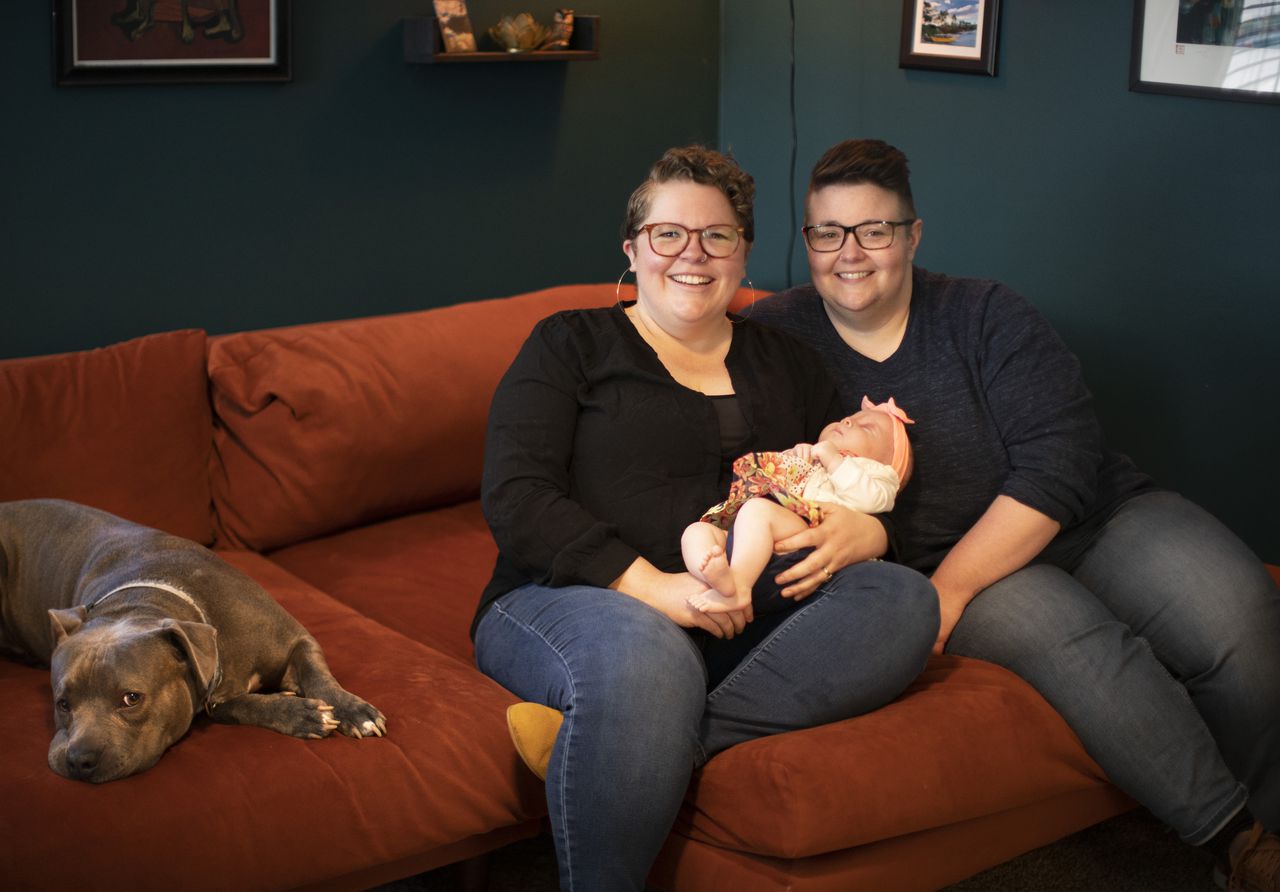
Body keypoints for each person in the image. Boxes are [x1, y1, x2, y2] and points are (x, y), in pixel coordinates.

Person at [750, 137, 1280, 890]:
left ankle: (1272, 826)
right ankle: (1242, 847)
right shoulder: (776, 336)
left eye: (875, 230)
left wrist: (950, 594)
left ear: (914, 234)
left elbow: (1062, 460)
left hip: (1097, 518)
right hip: (959, 562)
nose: (850, 253)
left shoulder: (984, 312)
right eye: (827, 233)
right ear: (806, 239)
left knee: (1241, 618)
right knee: (1087, 652)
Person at [472, 145, 939, 891]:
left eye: (717, 236)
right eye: (668, 235)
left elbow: (852, 475)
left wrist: (873, 533)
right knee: (648, 652)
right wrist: (654, 589)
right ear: (632, 249)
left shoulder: (791, 363)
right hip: (571, 597)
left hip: (742, 608)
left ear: (743, 252)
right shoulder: (570, 344)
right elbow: (516, 497)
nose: (692, 254)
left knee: (905, 599)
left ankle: (646, 740)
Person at [683, 395, 913, 614]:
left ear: (888, 463)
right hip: (757, 544)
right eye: (849, 417)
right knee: (697, 532)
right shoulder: (816, 456)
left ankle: (739, 588)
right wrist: (793, 457)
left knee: (757, 510)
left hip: (810, 536)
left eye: (867, 428)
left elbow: (872, 500)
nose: (848, 420)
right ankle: (717, 578)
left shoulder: (877, 475)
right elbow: (773, 483)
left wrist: (835, 460)